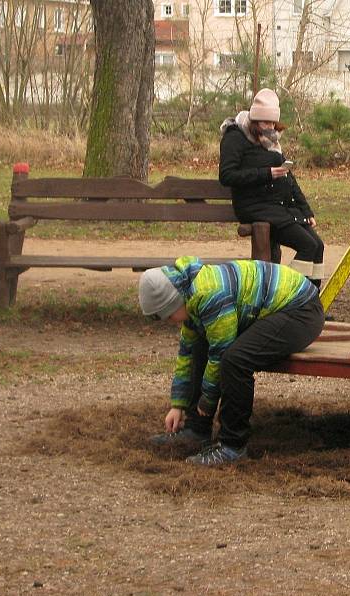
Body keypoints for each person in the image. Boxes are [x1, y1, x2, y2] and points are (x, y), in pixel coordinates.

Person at [138, 256, 324, 466]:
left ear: (174, 300)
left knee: (235, 360)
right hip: (270, 310)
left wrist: (207, 401)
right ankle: (196, 429)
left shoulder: (210, 295)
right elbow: (187, 353)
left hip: (301, 311)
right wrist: (178, 405)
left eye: (168, 315)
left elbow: (220, 354)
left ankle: (232, 446)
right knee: (200, 343)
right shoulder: (188, 295)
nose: (170, 321)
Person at [219, 88, 325, 289]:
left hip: (279, 207)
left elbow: (289, 179)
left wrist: (306, 210)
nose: (270, 128)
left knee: (317, 245)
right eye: (265, 123)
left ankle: (311, 302)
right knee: (308, 245)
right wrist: (266, 173)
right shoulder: (235, 137)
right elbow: (227, 176)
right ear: (254, 120)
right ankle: (289, 297)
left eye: (273, 123)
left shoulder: (271, 140)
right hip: (255, 207)